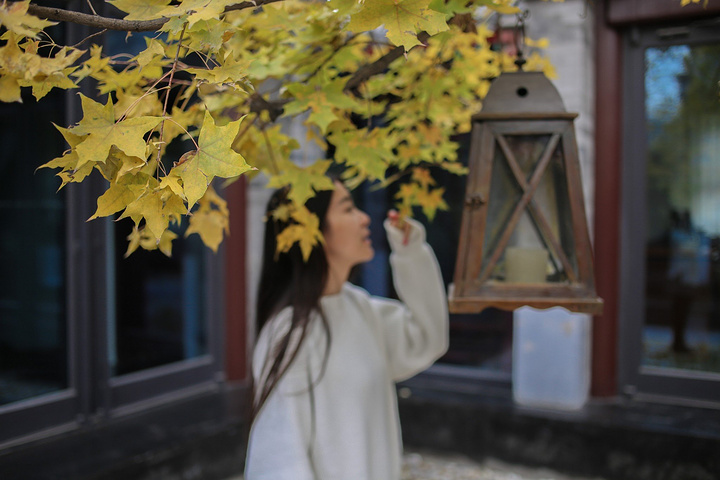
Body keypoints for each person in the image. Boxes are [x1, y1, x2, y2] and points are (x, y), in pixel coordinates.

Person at [245, 179, 449, 480]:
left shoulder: (358, 307)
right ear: (311, 231)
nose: (364, 218)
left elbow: (427, 338)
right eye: (348, 208)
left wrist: (411, 254)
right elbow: (279, 459)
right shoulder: (290, 332)